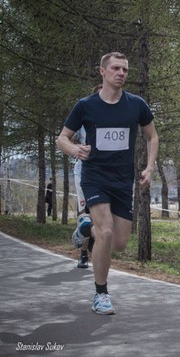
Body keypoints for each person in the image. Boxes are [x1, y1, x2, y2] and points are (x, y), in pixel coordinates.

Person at [57, 52, 159, 315]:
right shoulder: (85, 106)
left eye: (125, 69)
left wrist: (149, 167)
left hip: (123, 180)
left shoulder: (136, 105)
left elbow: (152, 136)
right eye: (115, 68)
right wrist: (74, 149)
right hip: (94, 177)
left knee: (119, 243)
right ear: (102, 71)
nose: (121, 73)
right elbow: (62, 138)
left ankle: (86, 227)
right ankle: (101, 294)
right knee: (105, 233)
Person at [73, 85, 101, 269]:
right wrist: (76, 148)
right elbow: (65, 137)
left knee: (103, 215)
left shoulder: (116, 118)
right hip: (84, 171)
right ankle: (84, 254)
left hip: (105, 172)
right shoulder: (84, 115)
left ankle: (95, 245)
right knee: (87, 213)